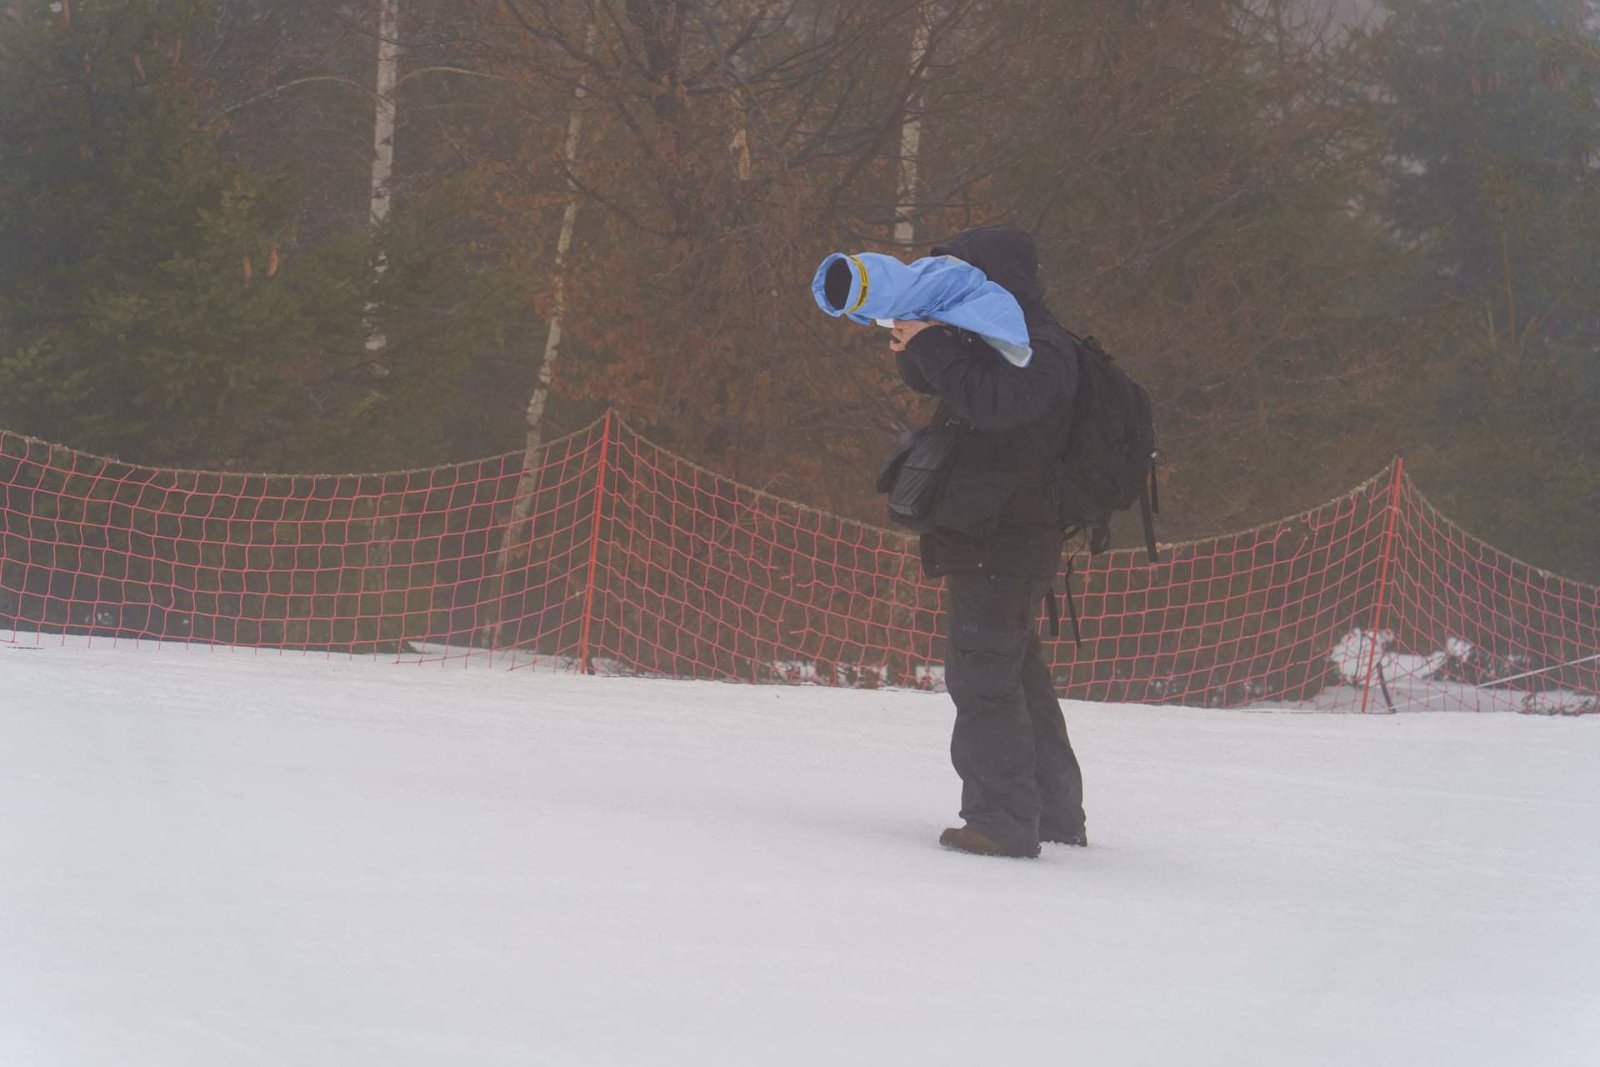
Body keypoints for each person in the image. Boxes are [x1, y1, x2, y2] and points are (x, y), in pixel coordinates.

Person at [885, 224, 1086, 859]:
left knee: (982, 679)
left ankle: (1000, 821)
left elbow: (997, 403)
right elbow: (947, 386)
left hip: (1007, 536)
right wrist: (913, 346)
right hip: (992, 533)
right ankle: (1053, 816)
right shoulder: (1000, 336)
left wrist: (937, 345)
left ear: (995, 278)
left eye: (965, 273)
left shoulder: (1042, 347)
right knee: (1015, 675)